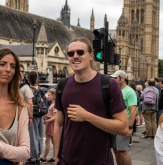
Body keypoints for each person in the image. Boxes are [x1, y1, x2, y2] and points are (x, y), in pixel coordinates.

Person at [54, 37, 128, 165]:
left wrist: (87, 116)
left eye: (80, 52)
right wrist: (56, 156)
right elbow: (59, 124)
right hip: (67, 161)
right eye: (71, 53)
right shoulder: (62, 85)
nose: (75, 56)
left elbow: (123, 127)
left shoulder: (108, 85)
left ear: (91, 55)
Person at [111, 70, 137, 165]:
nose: (113, 80)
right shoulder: (116, 90)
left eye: (115, 78)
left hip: (123, 126)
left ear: (122, 79)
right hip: (114, 125)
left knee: (122, 151)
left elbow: (133, 110)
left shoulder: (130, 91)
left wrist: (129, 128)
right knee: (116, 150)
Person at [26, 71, 44, 165]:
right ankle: (38, 156)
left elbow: (29, 103)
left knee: (33, 136)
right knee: (40, 135)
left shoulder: (29, 89)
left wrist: (30, 116)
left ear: (28, 79)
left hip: (32, 114)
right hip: (41, 113)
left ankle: (33, 157)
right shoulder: (40, 88)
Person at [40, 88, 57, 164]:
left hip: (50, 125)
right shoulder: (53, 104)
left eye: (49, 95)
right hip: (51, 124)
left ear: (54, 95)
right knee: (54, 142)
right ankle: (54, 157)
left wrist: (46, 121)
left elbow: (55, 117)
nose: (47, 96)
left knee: (47, 142)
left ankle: (44, 158)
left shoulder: (54, 105)